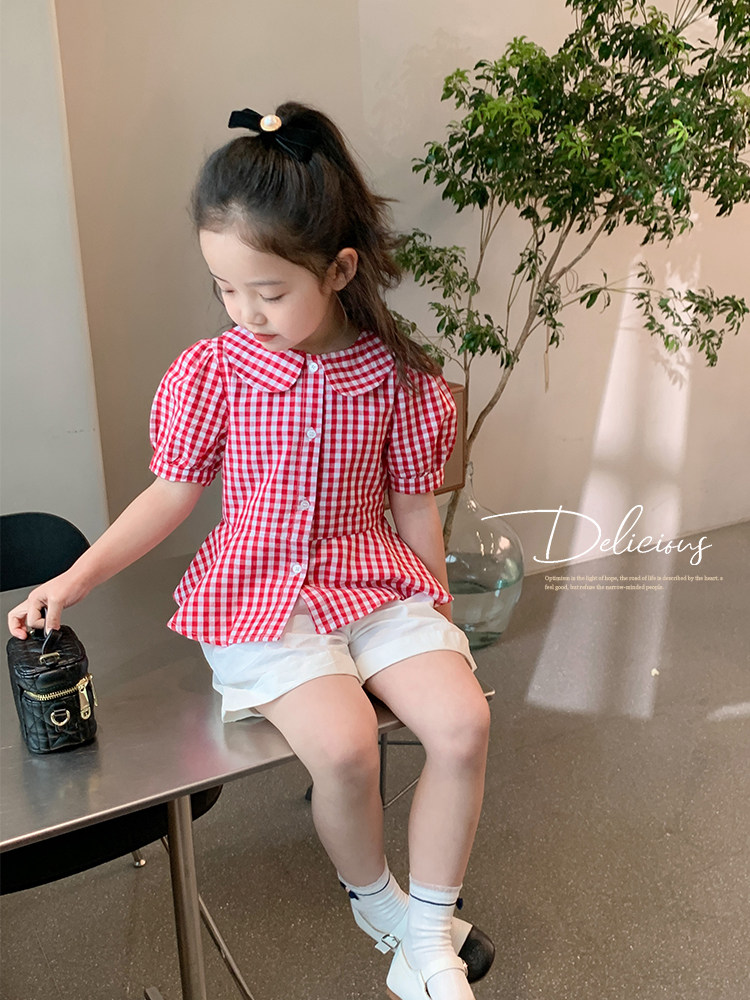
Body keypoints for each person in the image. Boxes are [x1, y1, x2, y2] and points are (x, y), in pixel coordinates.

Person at [8, 103, 493, 1000]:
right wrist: (72, 578)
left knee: (463, 724)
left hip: (375, 583)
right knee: (346, 748)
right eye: (225, 289)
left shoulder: (400, 380)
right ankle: (382, 909)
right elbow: (169, 496)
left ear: (339, 269)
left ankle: (427, 935)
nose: (245, 312)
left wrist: (436, 615)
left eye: (268, 292)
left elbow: (415, 510)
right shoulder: (215, 372)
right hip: (262, 595)